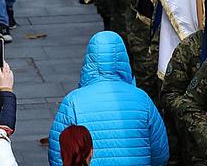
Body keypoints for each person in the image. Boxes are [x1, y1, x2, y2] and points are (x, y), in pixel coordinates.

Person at [48, 31, 170, 166]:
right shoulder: (142, 99)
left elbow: (58, 154)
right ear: (123, 59)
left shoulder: (72, 102)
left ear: (90, 60)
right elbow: (160, 154)